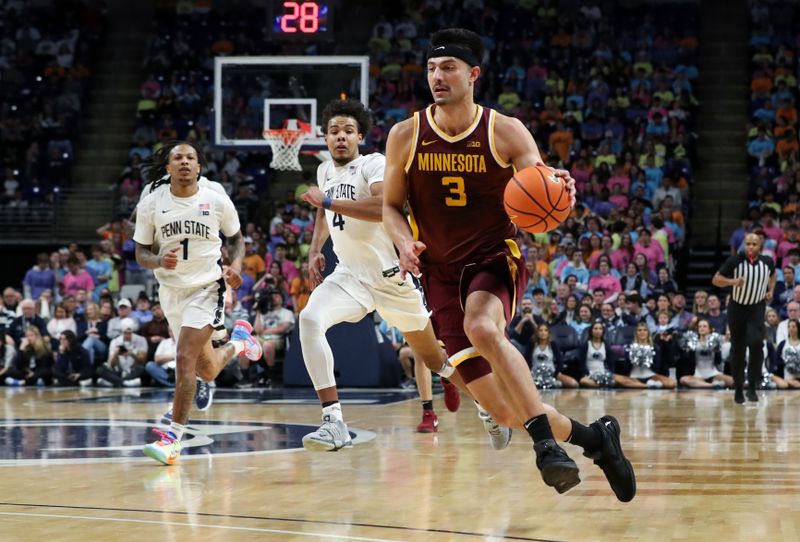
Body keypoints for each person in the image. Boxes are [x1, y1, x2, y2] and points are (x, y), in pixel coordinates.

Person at [382, 28, 635, 500]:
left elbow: (539, 188)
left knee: (483, 326)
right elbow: (391, 208)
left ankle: (544, 445)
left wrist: (558, 189)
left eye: (449, 68)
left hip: (493, 257)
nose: (438, 76)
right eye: (432, 68)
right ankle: (598, 441)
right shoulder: (406, 135)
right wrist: (402, 243)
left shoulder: (504, 130)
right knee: (502, 411)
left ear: (473, 74)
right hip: (438, 273)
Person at [298, 98, 463, 448]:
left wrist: (327, 202)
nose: (340, 137)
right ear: (325, 139)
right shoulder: (325, 171)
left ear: (360, 136)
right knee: (310, 319)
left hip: (392, 278)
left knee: (434, 358)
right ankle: (334, 421)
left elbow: (381, 209)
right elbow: (322, 213)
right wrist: (315, 249)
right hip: (350, 277)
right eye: (333, 132)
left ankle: (484, 402)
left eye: (347, 131)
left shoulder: (373, 163)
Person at [134, 141, 262, 465]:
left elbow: (236, 239)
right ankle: (239, 344)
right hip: (171, 292)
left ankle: (172, 439)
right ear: (168, 167)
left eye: (191, 157)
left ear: (199, 166)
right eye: (177, 157)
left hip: (207, 288)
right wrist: (159, 260)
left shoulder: (215, 199)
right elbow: (141, 253)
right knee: (207, 370)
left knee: (184, 357)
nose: (185, 162)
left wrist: (235, 267)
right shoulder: (151, 203)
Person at [712, 232, 776, 404]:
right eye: (747, 243)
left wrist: (771, 290)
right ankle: (739, 387)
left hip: (756, 307)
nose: (750, 247)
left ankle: (753, 385)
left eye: (754, 244)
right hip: (737, 308)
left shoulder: (767, 261)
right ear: (744, 245)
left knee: (756, 343)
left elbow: (773, 275)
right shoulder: (735, 261)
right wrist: (733, 282)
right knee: (737, 349)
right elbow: (716, 280)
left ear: (760, 246)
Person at [678, 319, 733, 389]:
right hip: (698, 375)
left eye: (704, 326)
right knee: (683, 380)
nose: (702, 328)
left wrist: (727, 334)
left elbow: (726, 340)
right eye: (700, 326)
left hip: (714, 374)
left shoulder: (716, 340)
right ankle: (712, 385)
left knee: (734, 381)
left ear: (710, 329)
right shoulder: (693, 342)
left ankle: (707, 384)